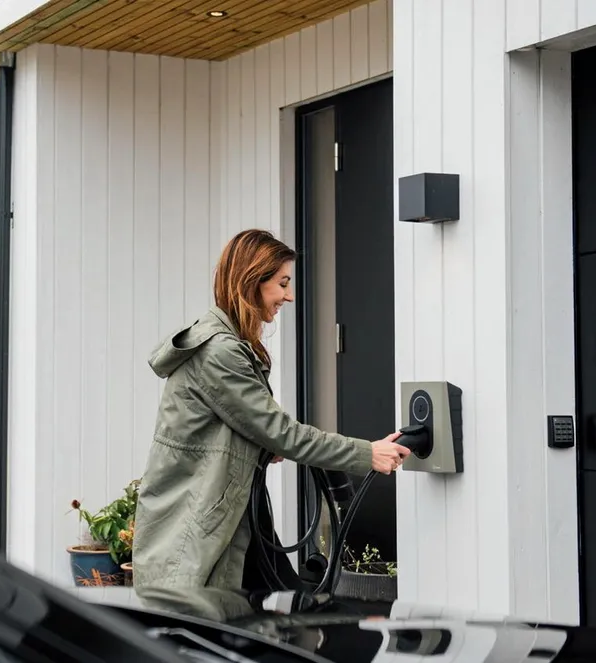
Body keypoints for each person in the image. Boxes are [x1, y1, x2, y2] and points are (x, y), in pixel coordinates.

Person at [131, 228, 409, 613]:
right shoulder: (219, 353)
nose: (289, 296)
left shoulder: (232, 346)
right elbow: (281, 433)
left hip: (231, 523)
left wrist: (260, 446)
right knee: (256, 624)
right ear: (251, 281)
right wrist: (368, 453)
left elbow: (243, 428)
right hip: (197, 534)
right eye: (282, 283)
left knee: (286, 616)